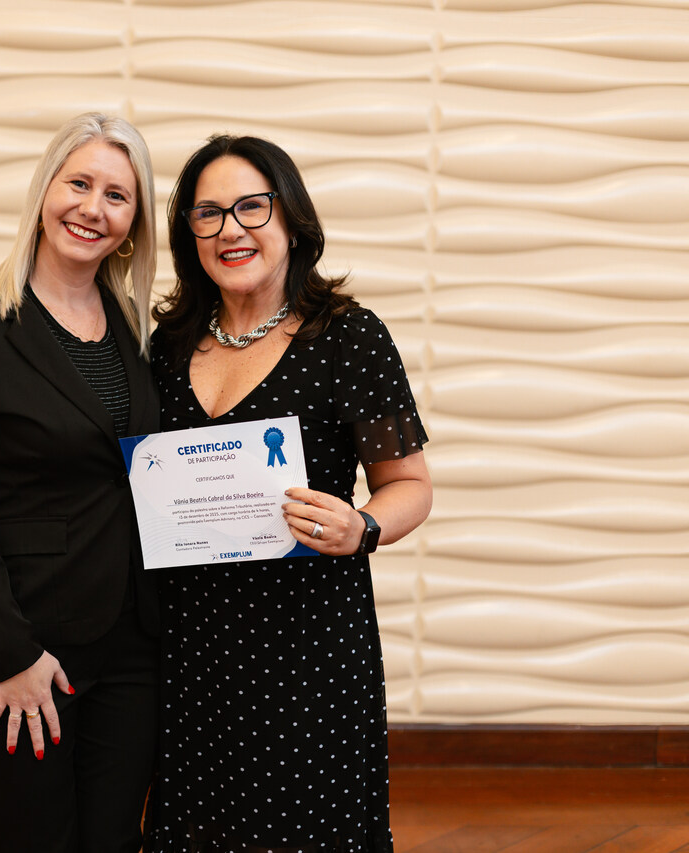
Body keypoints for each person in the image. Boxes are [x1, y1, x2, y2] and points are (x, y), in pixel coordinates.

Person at [143, 134, 433, 852]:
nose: (230, 229)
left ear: (291, 220)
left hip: (307, 648)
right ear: (189, 234)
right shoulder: (166, 345)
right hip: (192, 646)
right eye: (208, 213)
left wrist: (362, 526)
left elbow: (409, 485)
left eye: (252, 207)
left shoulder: (349, 337)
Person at [0, 113, 161, 853]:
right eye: (79, 183)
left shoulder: (142, 332)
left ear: (133, 222)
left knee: (114, 840)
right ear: (45, 191)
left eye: (117, 196)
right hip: (27, 642)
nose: (93, 208)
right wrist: (13, 654)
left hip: (136, 645)